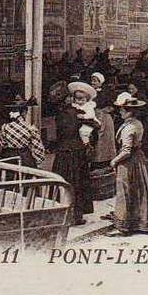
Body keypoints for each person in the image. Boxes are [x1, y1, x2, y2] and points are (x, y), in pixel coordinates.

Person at [109, 92, 148, 236]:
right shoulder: (136, 123)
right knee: (140, 191)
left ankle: (125, 225)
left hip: (129, 163)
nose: (120, 112)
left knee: (125, 191)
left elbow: (126, 150)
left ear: (129, 111)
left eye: (122, 110)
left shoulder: (129, 127)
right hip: (139, 160)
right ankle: (139, 221)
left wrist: (114, 161)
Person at [53, 81, 101, 225]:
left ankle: (61, 213)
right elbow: (95, 129)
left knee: (63, 181)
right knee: (78, 182)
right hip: (77, 151)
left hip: (63, 152)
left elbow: (61, 134)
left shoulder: (62, 113)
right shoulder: (77, 113)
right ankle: (76, 215)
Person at [0, 96, 46, 168]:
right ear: (24, 112)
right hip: (25, 159)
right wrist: (38, 161)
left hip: (9, 159)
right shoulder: (30, 128)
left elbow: (2, 143)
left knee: (10, 177)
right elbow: (38, 148)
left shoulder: (5, 127)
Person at [88, 73, 117, 173]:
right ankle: (94, 161)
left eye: (95, 81)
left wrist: (105, 110)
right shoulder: (89, 93)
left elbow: (112, 105)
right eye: (92, 80)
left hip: (104, 117)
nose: (93, 83)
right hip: (92, 115)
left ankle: (104, 161)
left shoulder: (106, 92)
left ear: (101, 82)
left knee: (104, 139)